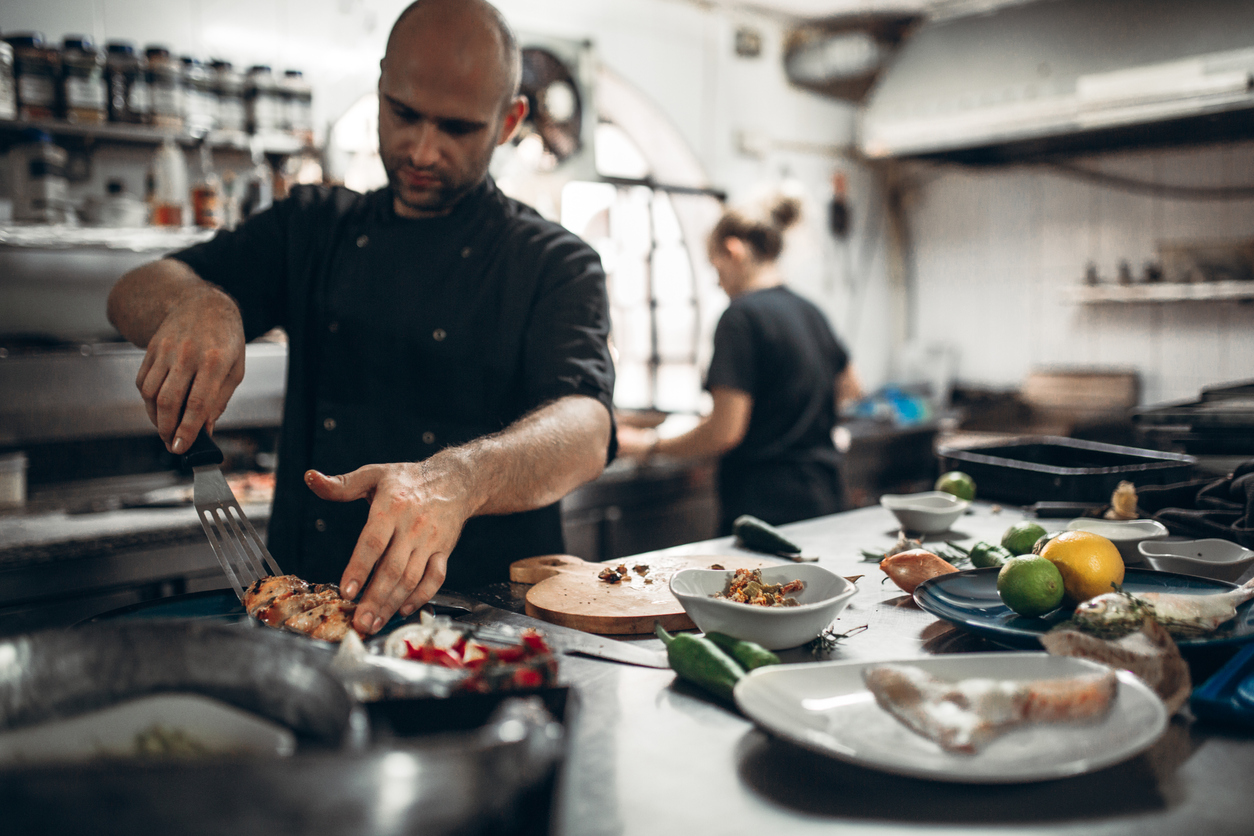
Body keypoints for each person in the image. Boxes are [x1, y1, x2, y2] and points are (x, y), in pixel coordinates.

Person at [106, 0, 615, 635]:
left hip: (484, 640)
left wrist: (461, 478)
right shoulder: (314, 227)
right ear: (381, 88)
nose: (423, 150)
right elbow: (132, 288)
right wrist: (194, 302)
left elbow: (587, 427)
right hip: (301, 625)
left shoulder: (554, 263)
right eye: (404, 114)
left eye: (457, 128)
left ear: (508, 121)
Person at [618, 195, 861, 534]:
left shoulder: (740, 317)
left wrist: (647, 446)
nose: (718, 282)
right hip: (825, 497)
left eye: (715, 267)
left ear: (733, 252)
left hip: (766, 512)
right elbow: (851, 388)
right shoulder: (810, 310)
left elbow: (725, 432)